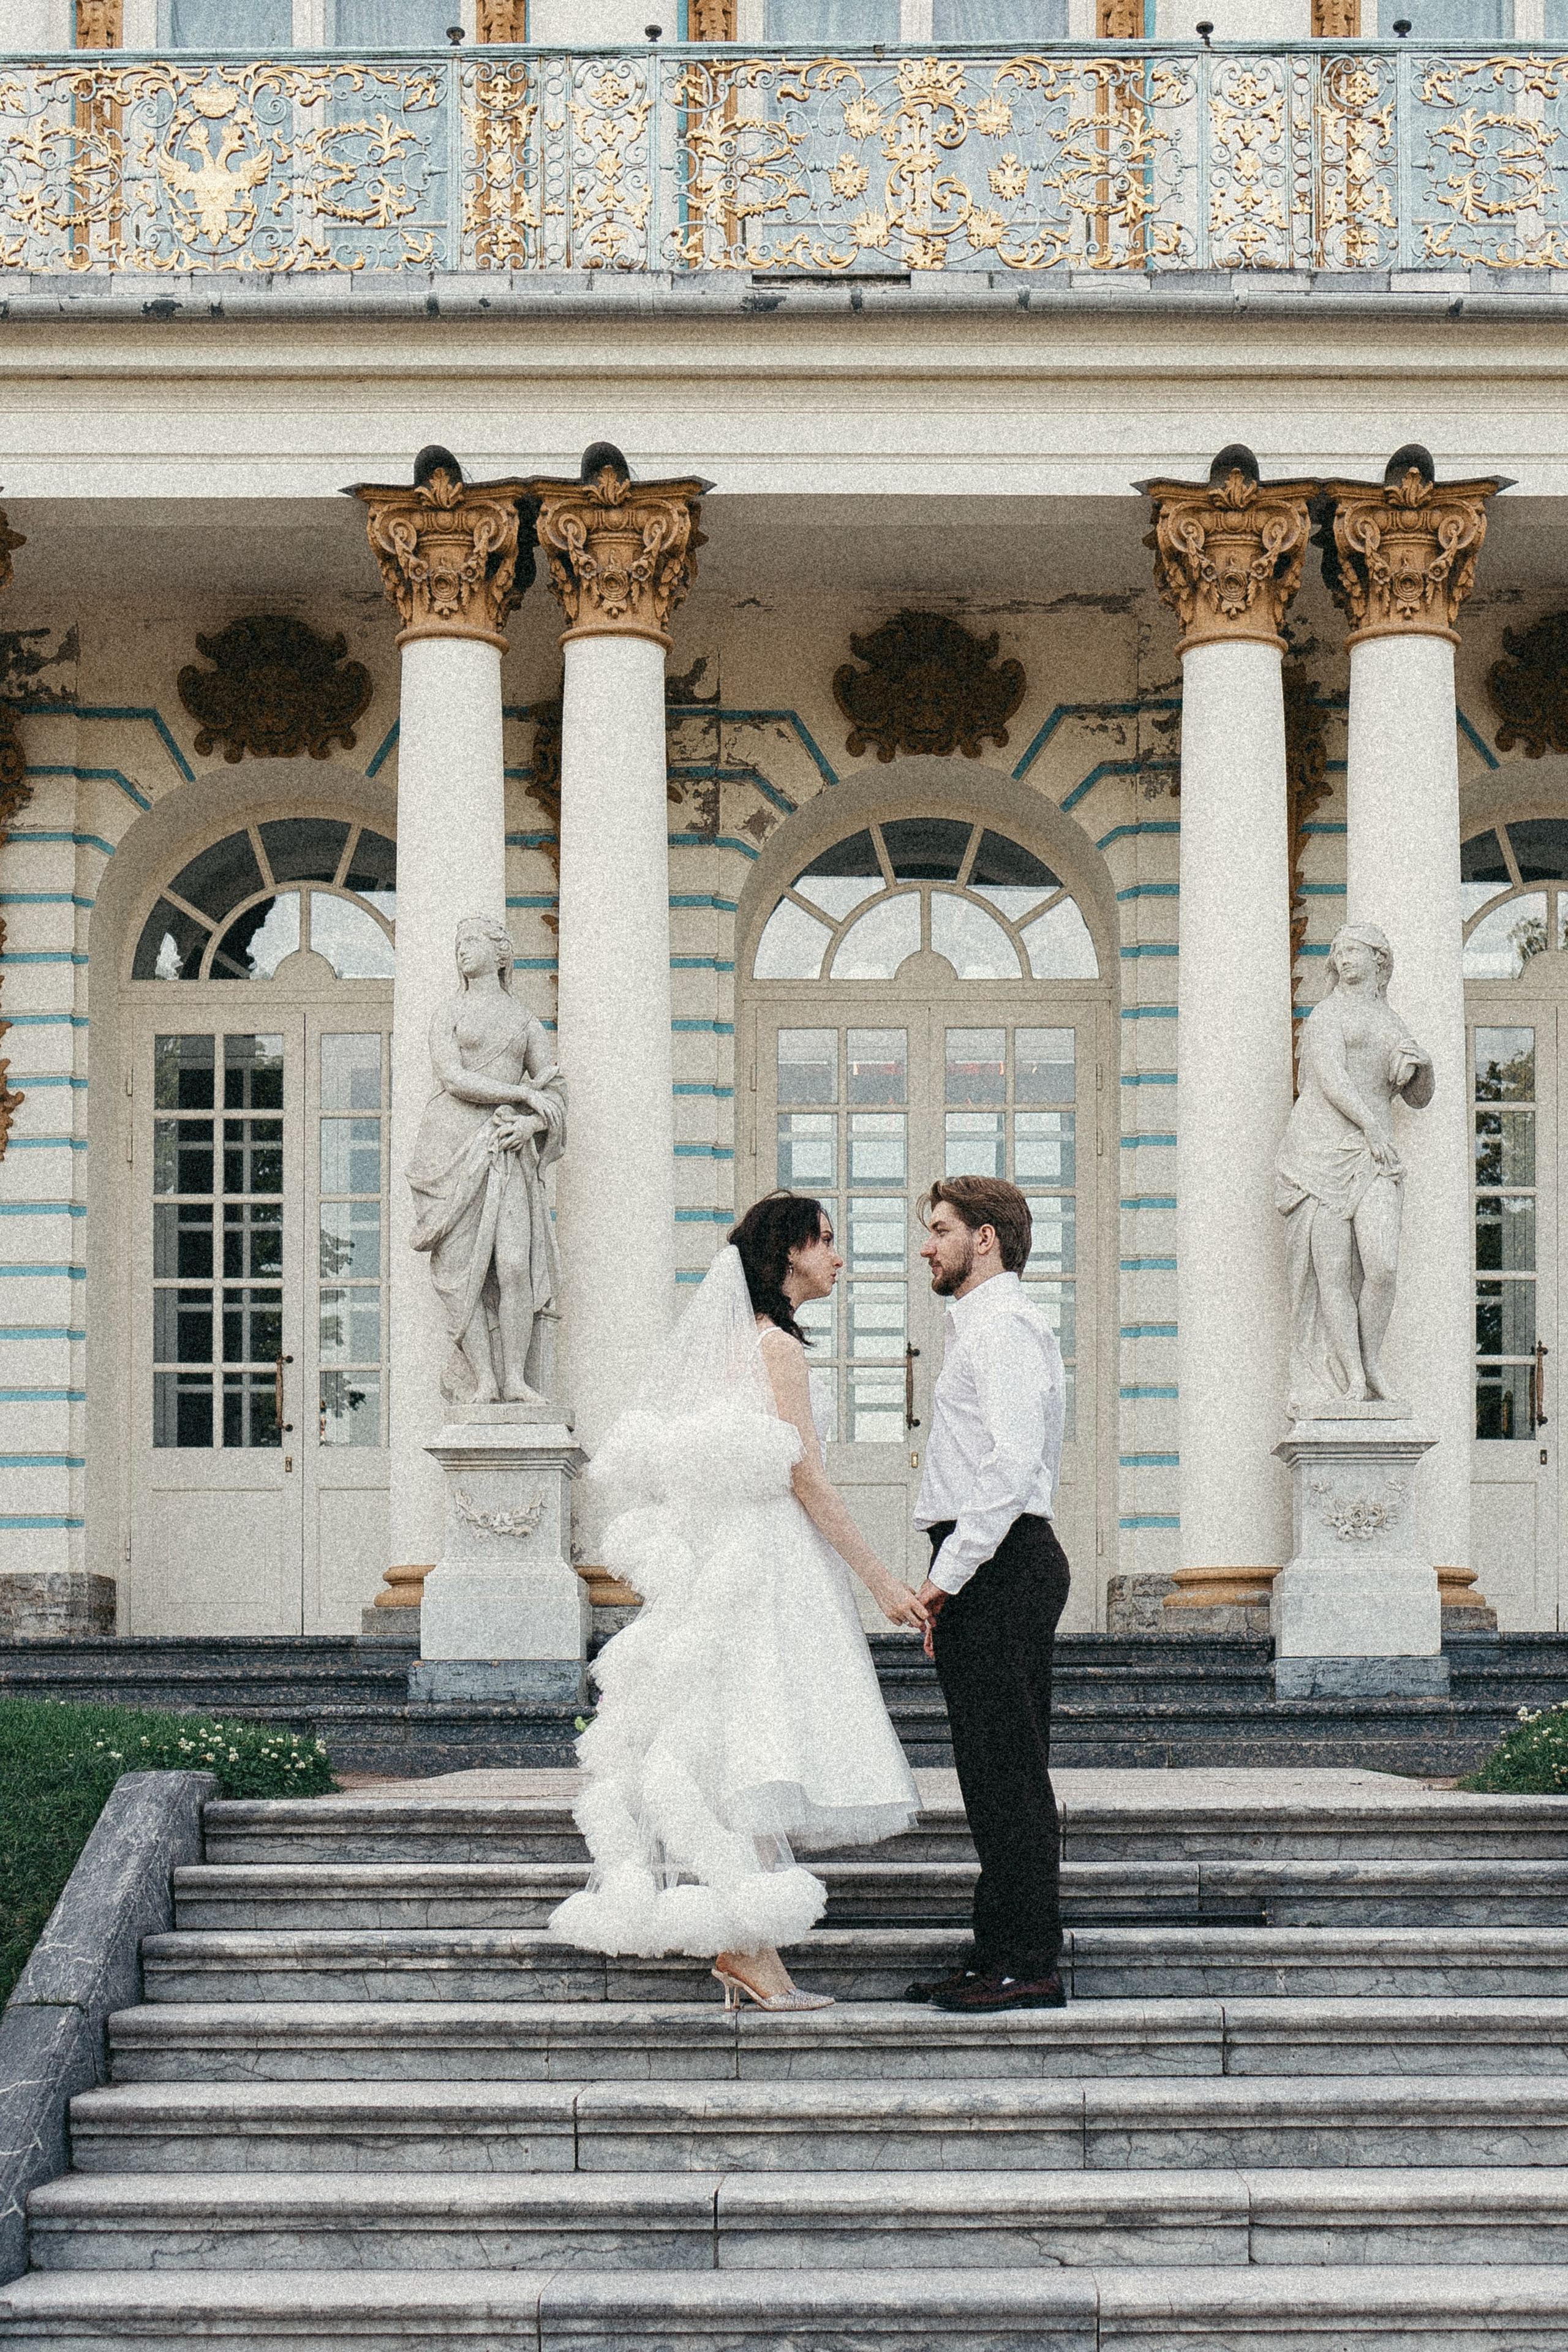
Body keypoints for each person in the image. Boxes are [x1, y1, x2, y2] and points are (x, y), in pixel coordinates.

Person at [550, 1191, 927, 2011]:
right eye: (826, 1242)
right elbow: (808, 1481)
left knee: (739, 1750)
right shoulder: (778, 1352)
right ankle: (749, 1948)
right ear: (788, 1252)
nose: (837, 1258)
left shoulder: (732, 1346)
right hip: (768, 1568)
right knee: (755, 1748)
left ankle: (751, 1950)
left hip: (729, 1563)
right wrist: (880, 1579)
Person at [907, 1175, 1070, 2014]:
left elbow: (1008, 1469)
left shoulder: (1002, 1326)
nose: (926, 1246)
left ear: (986, 1239)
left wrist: (945, 1579)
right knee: (991, 1773)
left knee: (1008, 1775)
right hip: (993, 1562)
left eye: (939, 1229)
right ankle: (996, 1950)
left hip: (1000, 1562)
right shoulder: (984, 1326)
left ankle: (1030, 1961)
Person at [407, 916, 566, 1405]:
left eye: (472, 941)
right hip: (449, 1145)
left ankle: (515, 1377)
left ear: (501, 955)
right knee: (460, 1272)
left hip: (506, 1147)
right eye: (458, 943)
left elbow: (556, 1091)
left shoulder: (524, 1021)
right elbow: (453, 1078)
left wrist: (531, 1125)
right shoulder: (447, 1014)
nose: (462, 950)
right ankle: (484, 1381)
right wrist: (521, 1093)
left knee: (514, 1264)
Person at [1276, 921, 1433, 1417]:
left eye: (1353, 951)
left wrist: (1423, 1068)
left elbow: (1419, 1098)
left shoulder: (1393, 1023)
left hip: (1372, 1154)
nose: (1343, 959)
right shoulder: (1328, 1014)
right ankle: (1354, 1379)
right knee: (1333, 1276)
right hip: (1320, 1151)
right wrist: (1372, 1127)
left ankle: (1372, 1361)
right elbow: (1331, 1079)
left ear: (1379, 961)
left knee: (1382, 1264)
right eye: (1338, 952)